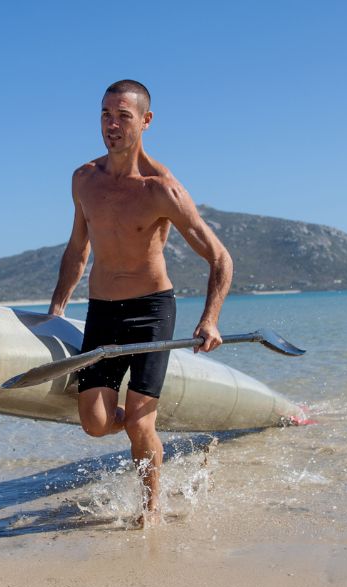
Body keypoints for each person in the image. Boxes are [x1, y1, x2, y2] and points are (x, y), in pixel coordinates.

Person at [47, 80, 233, 528]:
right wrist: (55, 312)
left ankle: (150, 513)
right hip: (102, 310)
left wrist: (209, 320)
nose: (112, 125)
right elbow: (77, 251)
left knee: (138, 425)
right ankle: (143, 429)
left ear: (146, 121)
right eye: (106, 114)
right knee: (93, 422)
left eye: (123, 116)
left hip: (150, 311)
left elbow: (220, 257)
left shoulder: (161, 190)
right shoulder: (84, 180)